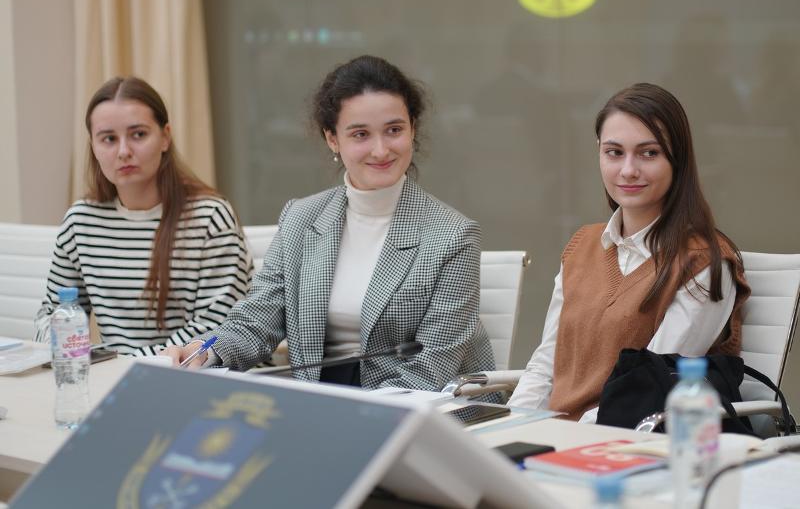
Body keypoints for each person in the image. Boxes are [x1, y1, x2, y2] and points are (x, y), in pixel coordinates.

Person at [165, 55, 495, 390]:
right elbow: (256, 321)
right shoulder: (300, 217)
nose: (381, 150)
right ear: (333, 139)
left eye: (394, 130)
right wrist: (203, 351)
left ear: (412, 129)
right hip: (319, 396)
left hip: (416, 403)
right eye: (360, 134)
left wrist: (354, 412)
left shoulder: (453, 235)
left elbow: (431, 367)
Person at [507, 83, 750, 421]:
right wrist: (511, 425)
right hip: (557, 434)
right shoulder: (582, 246)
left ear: (677, 159)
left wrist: (565, 433)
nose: (628, 170)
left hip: (627, 438)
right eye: (614, 152)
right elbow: (546, 363)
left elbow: (647, 387)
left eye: (649, 153)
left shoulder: (703, 262)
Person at [36, 77, 253, 356]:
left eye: (138, 135)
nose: (124, 152)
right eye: (109, 139)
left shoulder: (210, 217)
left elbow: (216, 329)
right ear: (93, 147)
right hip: (112, 375)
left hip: (191, 373)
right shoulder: (80, 222)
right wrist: (64, 348)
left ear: (165, 137)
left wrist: (123, 364)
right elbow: (54, 313)